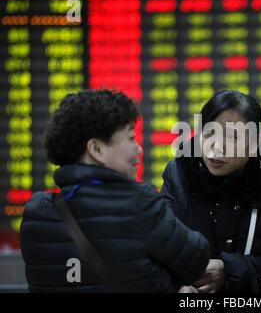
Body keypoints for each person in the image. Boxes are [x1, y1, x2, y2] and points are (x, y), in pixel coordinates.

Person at [20, 89, 210, 292]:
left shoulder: (36, 211)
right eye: (130, 137)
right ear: (97, 149)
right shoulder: (141, 203)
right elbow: (196, 261)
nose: (138, 149)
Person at [161, 90, 261, 293]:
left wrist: (230, 270)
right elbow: (155, 251)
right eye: (209, 133)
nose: (217, 148)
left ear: (255, 143)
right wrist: (177, 286)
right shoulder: (178, 175)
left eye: (232, 137)